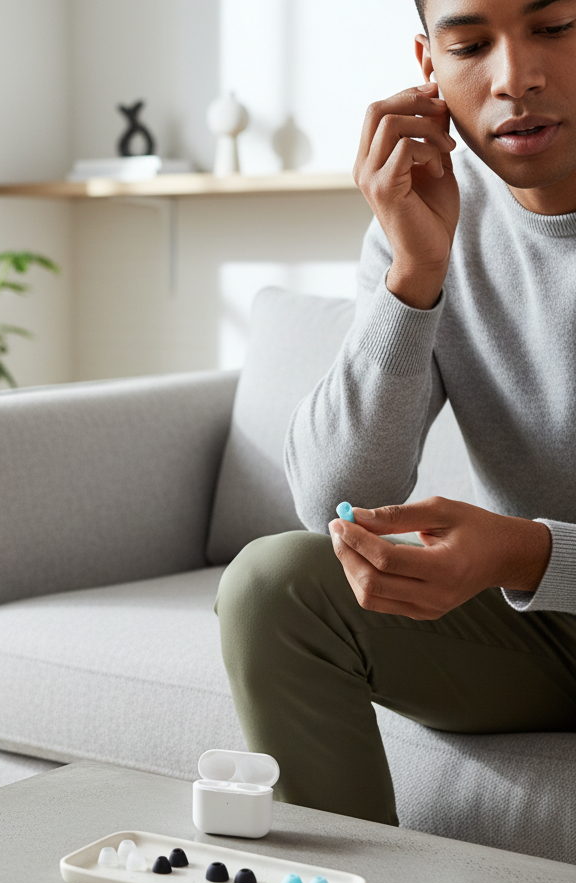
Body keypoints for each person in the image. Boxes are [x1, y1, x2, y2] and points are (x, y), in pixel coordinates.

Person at [215, 0, 576, 826]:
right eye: (469, 43)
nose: (514, 76)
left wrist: (522, 551)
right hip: (552, 631)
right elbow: (333, 500)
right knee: (274, 589)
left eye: (553, 26)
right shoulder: (435, 211)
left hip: (540, 583)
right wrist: (415, 271)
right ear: (428, 68)